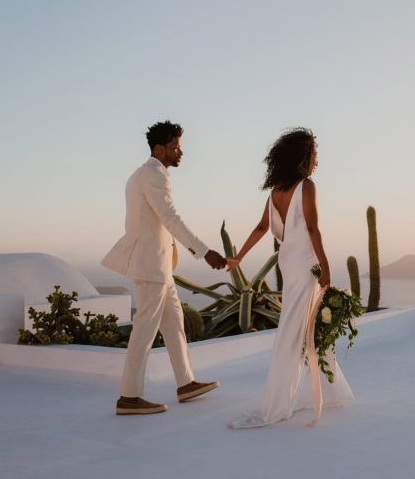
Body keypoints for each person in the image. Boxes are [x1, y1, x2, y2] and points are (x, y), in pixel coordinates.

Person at [227, 128, 353, 428]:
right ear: (303, 157)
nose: (317, 162)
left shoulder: (276, 192)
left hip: (288, 261)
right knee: (294, 333)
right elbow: (312, 229)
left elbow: (261, 228)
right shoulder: (306, 187)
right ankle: (279, 401)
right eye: (314, 156)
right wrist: (325, 265)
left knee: (304, 329)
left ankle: (318, 393)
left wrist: (239, 257)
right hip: (305, 262)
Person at [102, 121, 225, 415]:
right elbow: (171, 218)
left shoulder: (144, 174)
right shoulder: (153, 176)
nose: (181, 152)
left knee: (174, 324)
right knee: (144, 330)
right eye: (175, 147)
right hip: (150, 266)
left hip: (159, 267)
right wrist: (205, 252)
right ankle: (129, 396)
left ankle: (186, 383)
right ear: (160, 149)